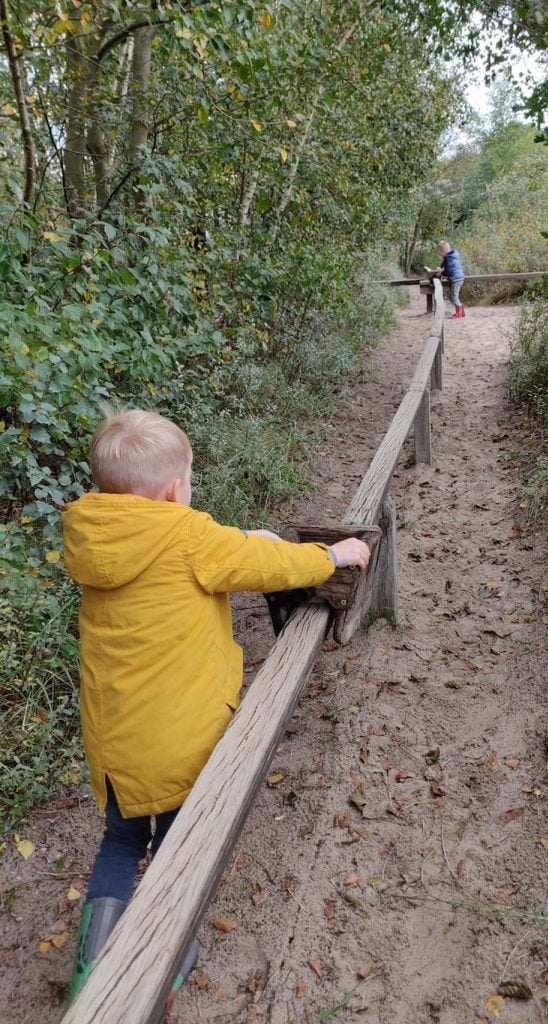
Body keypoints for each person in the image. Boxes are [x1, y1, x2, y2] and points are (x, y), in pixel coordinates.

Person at [62, 409, 370, 1004]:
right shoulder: (189, 537)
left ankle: (89, 965)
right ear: (177, 490)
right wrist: (334, 557)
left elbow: (191, 555)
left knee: (122, 844)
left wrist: (242, 537)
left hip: (113, 744)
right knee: (180, 845)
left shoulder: (96, 536)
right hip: (179, 741)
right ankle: (167, 954)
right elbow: (267, 564)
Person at [435, 240, 465, 319]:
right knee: (454, 296)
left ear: (444, 251)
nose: (440, 255)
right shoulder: (451, 256)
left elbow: (448, 270)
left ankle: (459, 313)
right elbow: (444, 264)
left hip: (456, 278)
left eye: (440, 254)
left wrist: (441, 273)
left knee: (454, 296)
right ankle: (461, 311)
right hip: (459, 277)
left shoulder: (449, 258)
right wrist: (441, 268)